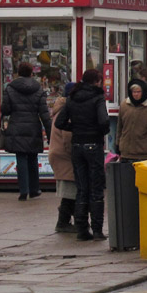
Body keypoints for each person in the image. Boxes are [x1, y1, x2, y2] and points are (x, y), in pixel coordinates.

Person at [54, 69, 109, 241]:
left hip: (77, 145)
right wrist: (98, 131)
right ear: (96, 82)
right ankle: (98, 230)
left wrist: (77, 128)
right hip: (94, 144)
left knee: (81, 188)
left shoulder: (72, 99)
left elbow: (61, 122)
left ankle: (81, 229)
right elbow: (104, 121)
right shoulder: (98, 98)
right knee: (96, 188)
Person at [1, 62, 51, 201]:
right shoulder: (39, 89)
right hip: (33, 126)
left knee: (21, 158)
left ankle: (23, 190)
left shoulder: (10, 88)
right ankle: (34, 189)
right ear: (31, 73)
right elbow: (44, 114)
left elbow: (5, 109)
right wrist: (50, 133)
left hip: (16, 125)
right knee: (33, 157)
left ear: (18, 73)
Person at [48, 82, 78, 233]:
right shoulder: (68, 111)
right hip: (65, 156)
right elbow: (68, 137)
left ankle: (65, 220)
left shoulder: (60, 108)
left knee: (70, 190)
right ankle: (63, 222)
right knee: (70, 191)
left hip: (58, 154)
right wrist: (76, 153)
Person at [115, 78, 147, 162]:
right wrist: (118, 144)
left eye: (138, 92)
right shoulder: (124, 105)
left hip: (146, 155)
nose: (136, 94)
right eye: (133, 92)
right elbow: (120, 127)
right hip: (126, 153)